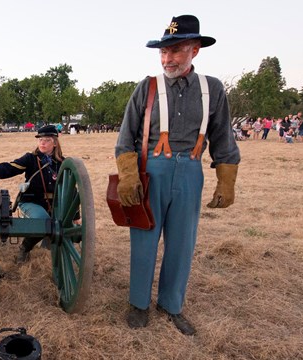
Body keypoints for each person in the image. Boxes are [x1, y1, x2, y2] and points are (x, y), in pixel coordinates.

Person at [115, 15, 240, 336]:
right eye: (163, 52)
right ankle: (138, 304)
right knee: (144, 239)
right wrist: (129, 176)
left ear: (194, 51)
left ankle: (171, 305)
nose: (167, 58)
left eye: (176, 50)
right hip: (151, 172)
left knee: (182, 243)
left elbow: (223, 137)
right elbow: (125, 137)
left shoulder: (212, 89)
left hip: (190, 173)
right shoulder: (148, 87)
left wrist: (226, 181)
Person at [0, 125, 64, 263]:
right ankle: (25, 248)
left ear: (55, 142)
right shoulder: (31, 159)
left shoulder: (62, 163)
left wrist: (76, 215)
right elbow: (11, 167)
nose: (42, 142)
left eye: (47, 140)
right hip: (31, 202)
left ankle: (48, 238)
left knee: (62, 222)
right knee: (42, 220)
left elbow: (72, 188)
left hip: (55, 205)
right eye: (40, 139)